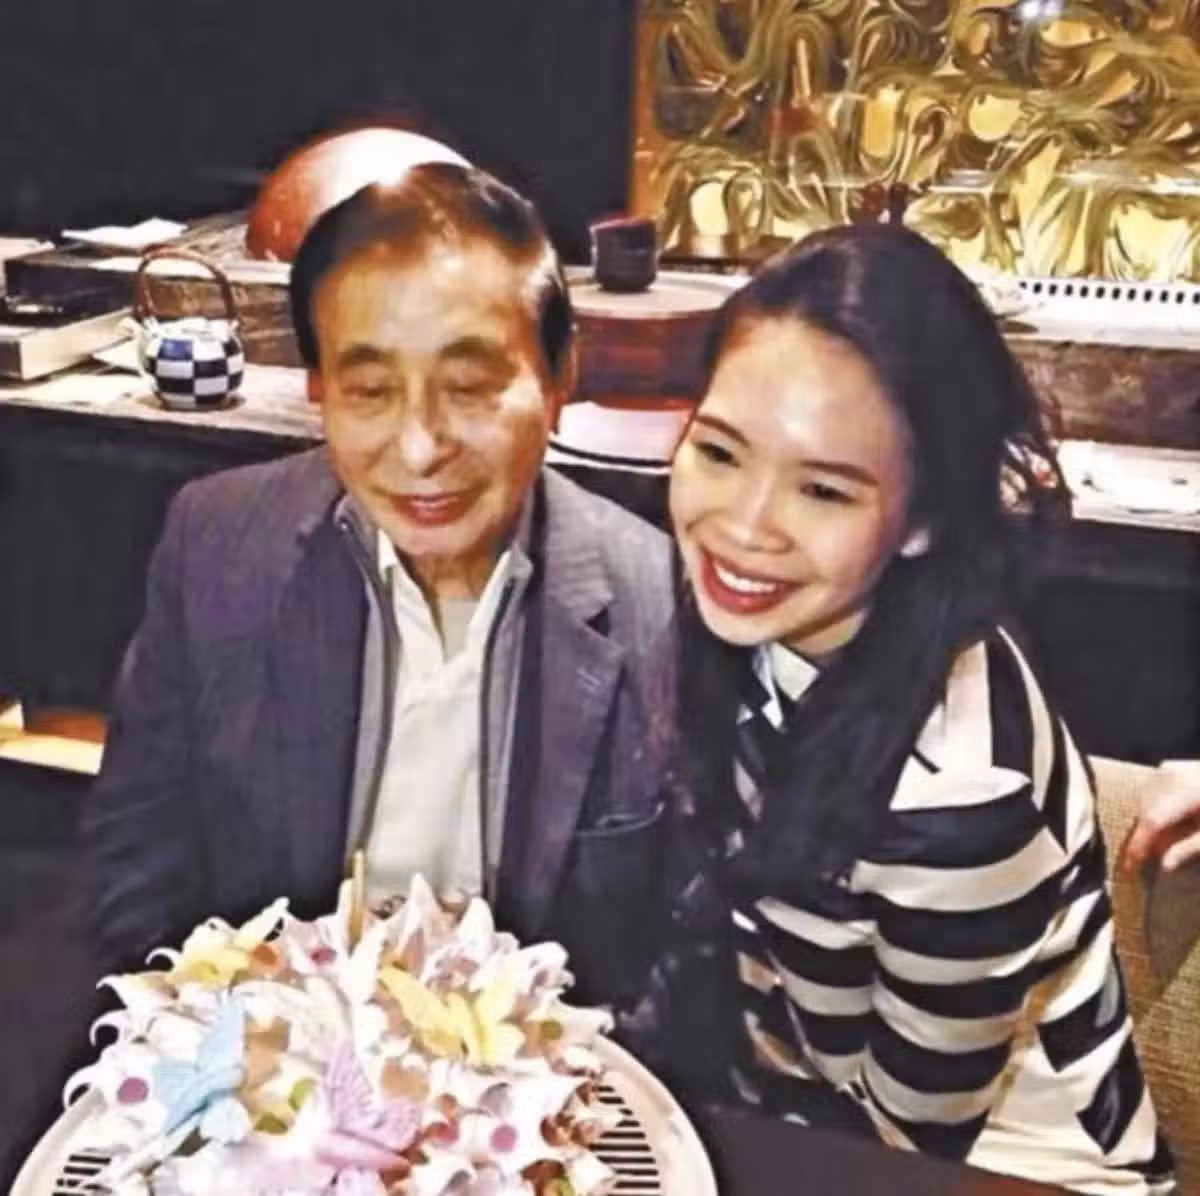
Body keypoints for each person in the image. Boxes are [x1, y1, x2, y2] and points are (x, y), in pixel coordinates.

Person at [648, 224, 1174, 1193]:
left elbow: (908, 1140)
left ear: (924, 517)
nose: (744, 525)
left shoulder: (959, 790)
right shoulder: (761, 626)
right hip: (802, 1122)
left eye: (823, 489)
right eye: (719, 451)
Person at [84, 164, 675, 1012]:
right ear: (320, 391)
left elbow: (675, 960)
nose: (421, 447)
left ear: (558, 380)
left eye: (468, 387)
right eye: (368, 391)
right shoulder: (216, 545)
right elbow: (139, 859)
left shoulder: (662, 603)